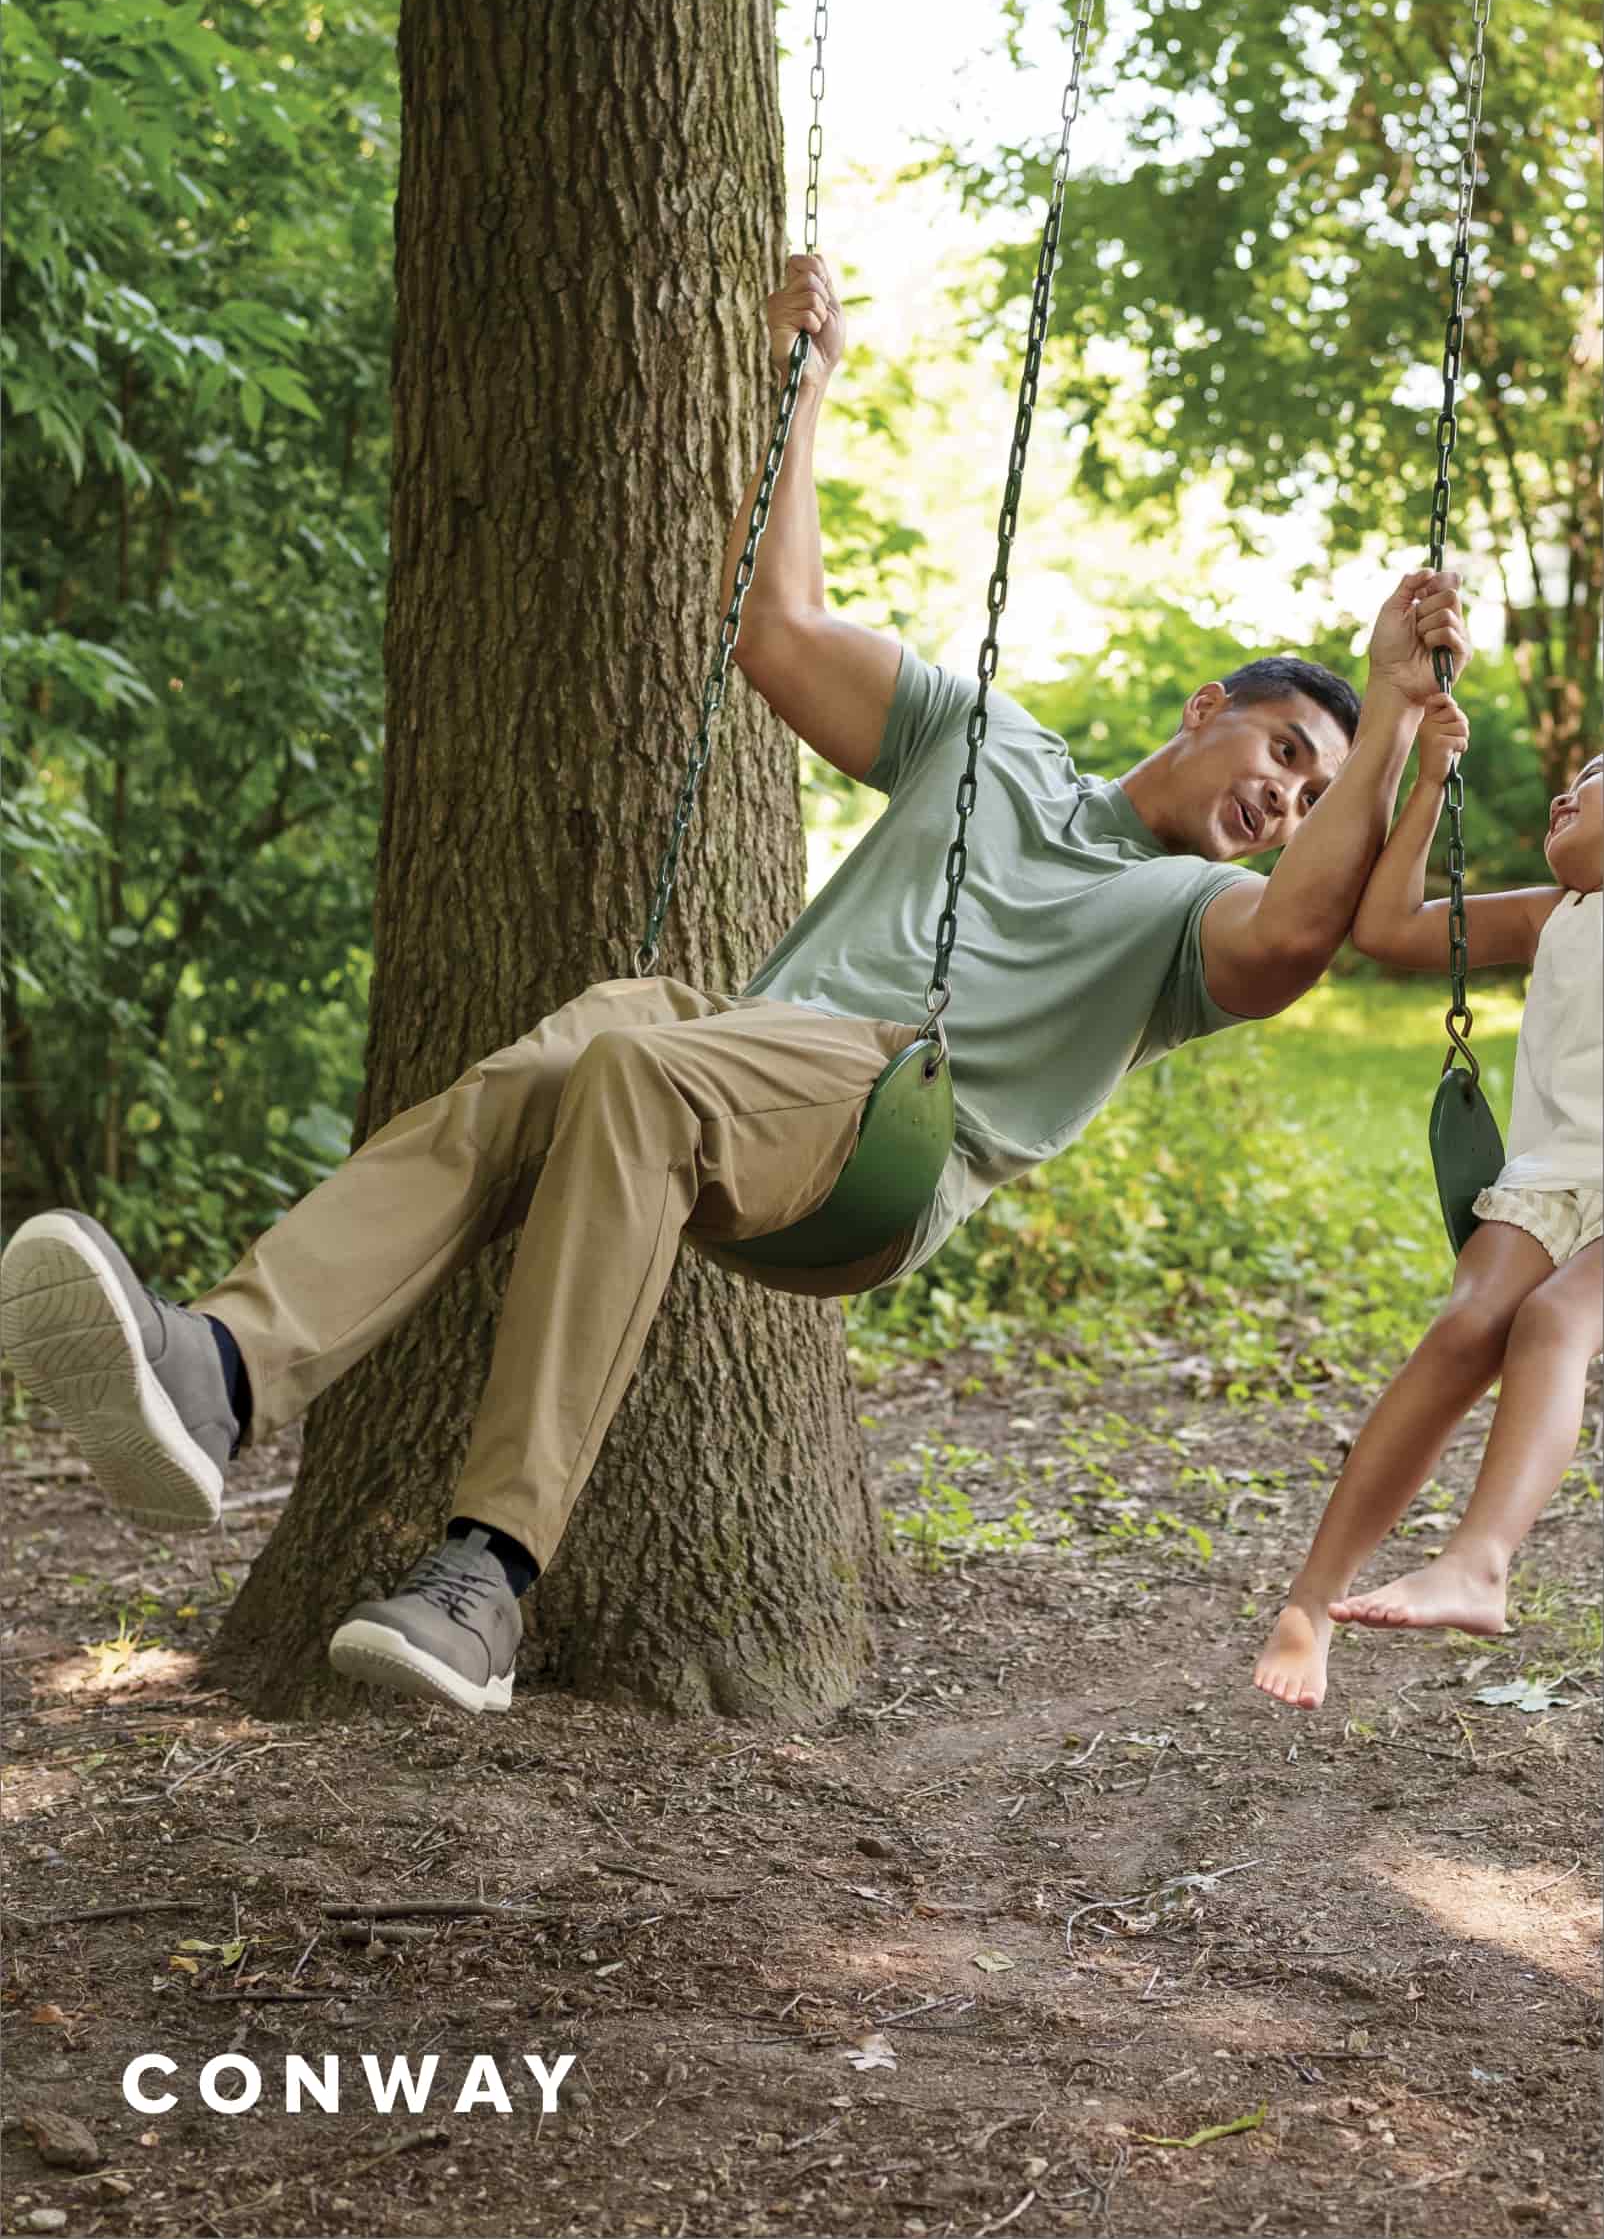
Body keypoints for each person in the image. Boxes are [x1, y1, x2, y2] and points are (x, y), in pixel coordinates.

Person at [1, 256, 1469, 1719]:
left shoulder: (1192, 913)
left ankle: (487, 1574)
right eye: (1283, 752)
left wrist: (1389, 705)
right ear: (1207, 708)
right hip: (757, 1054)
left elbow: (1296, 940)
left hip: (891, 1129)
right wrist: (807, 392)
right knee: (605, 1023)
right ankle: (224, 1370)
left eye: (1315, 795)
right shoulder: (995, 746)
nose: (1286, 799)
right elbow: (776, 635)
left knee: (639, 1068)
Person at [1254, 711, 1602, 1713]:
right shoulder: (1555, 911)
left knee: (1550, 1322)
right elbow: (1387, 927)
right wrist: (1428, 787)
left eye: (1594, 773)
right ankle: (1309, 1605)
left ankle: (1477, 1563)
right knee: (1459, 1331)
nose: (1564, 785)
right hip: (1549, 1177)